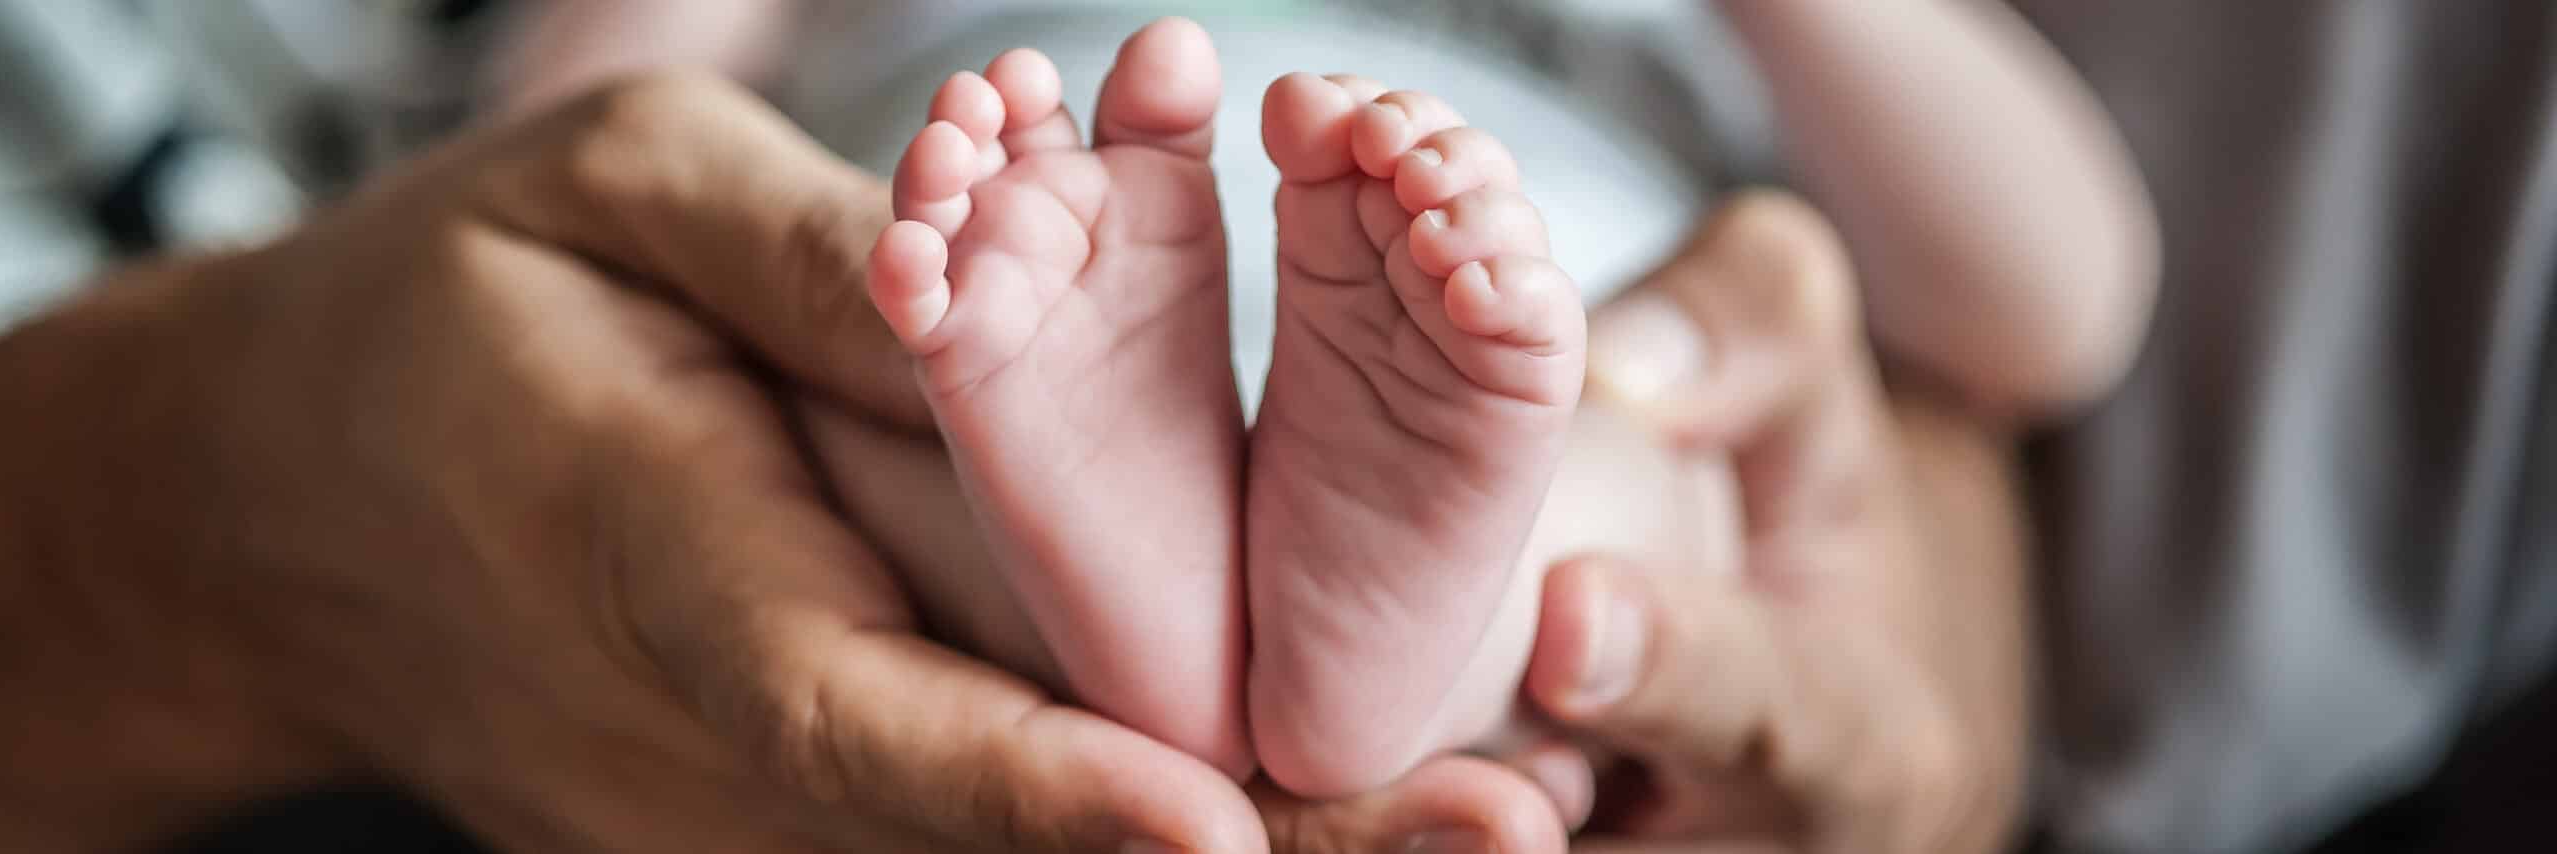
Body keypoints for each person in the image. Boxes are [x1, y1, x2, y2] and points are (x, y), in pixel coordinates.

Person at [503, 1, 2155, 798]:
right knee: (843, 421)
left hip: (1518, 288)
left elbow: (2054, 298)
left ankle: (1302, 633)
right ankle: (1220, 628)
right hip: (1032, 278)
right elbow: (553, 163)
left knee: (1629, 454)